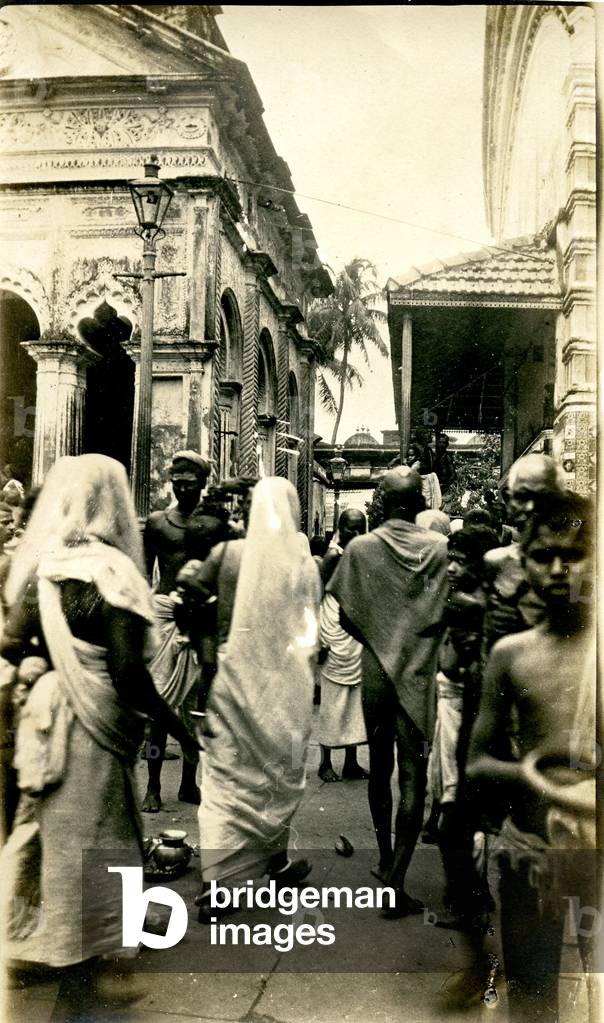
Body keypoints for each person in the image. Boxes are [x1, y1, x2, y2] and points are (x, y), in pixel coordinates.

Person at [0, 455, 200, 1013]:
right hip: (92, 734)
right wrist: (180, 727)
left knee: (57, 843)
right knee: (100, 841)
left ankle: (65, 962)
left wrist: (50, 665)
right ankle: (81, 981)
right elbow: (130, 674)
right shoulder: (113, 573)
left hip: (47, 722)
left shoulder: (46, 568)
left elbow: (11, 643)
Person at [467, 493, 596, 1022]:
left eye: (576, 553)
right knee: (532, 995)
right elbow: (477, 762)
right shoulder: (513, 656)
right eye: (544, 556)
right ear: (524, 560)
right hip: (531, 851)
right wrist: (536, 776)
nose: (560, 569)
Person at [182, 478, 321, 919]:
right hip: (284, 688)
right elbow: (310, 634)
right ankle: (268, 866)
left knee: (226, 783)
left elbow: (187, 600)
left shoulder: (226, 555)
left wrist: (206, 637)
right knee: (274, 777)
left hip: (231, 679)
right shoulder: (304, 564)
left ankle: (221, 884)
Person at [329, 467, 448, 916]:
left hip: (376, 674)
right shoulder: (438, 546)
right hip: (418, 675)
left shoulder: (360, 547)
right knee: (413, 776)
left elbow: (344, 619)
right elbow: (445, 612)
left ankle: (384, 860)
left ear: (381, 501)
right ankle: (397, 876)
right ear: (419, 502)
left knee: (379, 769)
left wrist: (381, 637)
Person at [423, 525, 499, 929]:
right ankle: (468, 894)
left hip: (462, 713)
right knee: (449, 799)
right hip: (449, 709)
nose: (451, 567)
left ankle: (471, 897)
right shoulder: (467, 599)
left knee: (458, 803)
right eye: (449, 558)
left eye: (460, 560)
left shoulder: (478, 606)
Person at [142, 450, 211, 812]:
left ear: (203, 482)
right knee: (158, 711)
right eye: (178, 478)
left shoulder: (213, 525)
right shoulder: (157, 523)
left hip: (198, 620)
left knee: (195, 708)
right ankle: (152, 785)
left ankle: (188, 782)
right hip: (163, 616)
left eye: (191, 478)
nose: (183, 484)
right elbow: (143, 573)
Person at [482, 453, 564, 653]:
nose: (531, 507)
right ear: (508, 501)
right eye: (522, 497)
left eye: (543, 498)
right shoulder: (496, 561)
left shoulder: (578, 562)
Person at [317, 509, 369, 783]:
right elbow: (317, 593)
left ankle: (351, 762)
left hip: (355, 632)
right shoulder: (333, 555)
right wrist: (318, 637)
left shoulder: (364, 554)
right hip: (333, 632)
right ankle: (325, 762)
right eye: (350, 528)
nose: (356, 534)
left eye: (361, 528)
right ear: (339, 529)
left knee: (355, 703)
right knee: (332, 702)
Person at [406, 443, 442, 510]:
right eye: (408, 456)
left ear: (417, 456)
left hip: (424, 491)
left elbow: (408, 475)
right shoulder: (414, 464)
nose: (409, 457)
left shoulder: (416, 465)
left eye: (412, 455)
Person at [433, 434, 456, 511]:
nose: (441, 445)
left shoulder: (447, 457)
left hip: (445, 489)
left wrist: (445, 484)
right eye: (440, 442)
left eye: (444, 443)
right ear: (437, 443)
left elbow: (453, 475)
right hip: (435, 488)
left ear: (447, 445)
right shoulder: (434, 456)